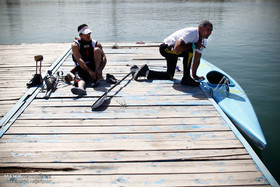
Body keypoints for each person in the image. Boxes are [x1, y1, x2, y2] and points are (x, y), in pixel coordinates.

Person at [134, 20, 213, 87]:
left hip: (173, 52)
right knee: (189, 52)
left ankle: (146, 72)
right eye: (208, 29)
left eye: (211, 30)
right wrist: (193, 45)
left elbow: (197, 58)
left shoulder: (203, 41)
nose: (210, 32)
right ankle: (186, 78)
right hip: (165, 48)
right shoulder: (191, 33)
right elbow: (177, 47)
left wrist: (195, 75)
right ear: (200, 28)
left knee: (169, 75)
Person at [71, 24, 107, 95]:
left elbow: (104, 58)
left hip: (94, 66)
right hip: (81, 67)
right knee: (80, 79)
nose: (88, 36)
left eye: (89, 33)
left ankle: (96, 77)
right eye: (86, 34)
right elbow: (79, 60)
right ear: (80, 35)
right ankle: (81, 88)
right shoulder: (75, 45)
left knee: (97, 50)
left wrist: (100, 69)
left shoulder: (96, 43)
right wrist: (89, 71)